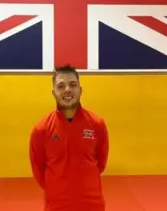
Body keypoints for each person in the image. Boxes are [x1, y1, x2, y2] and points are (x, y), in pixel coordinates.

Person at [29, 64, 109, 211]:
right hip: (57, 205)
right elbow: (38, 169)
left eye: (72, 85)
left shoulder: (97, 124)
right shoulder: (41, 129)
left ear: (80, 90)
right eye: (61, 86)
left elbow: (101, 163)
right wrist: (58, 189)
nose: (67, 90)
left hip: (92, 204)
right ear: (53, 93)